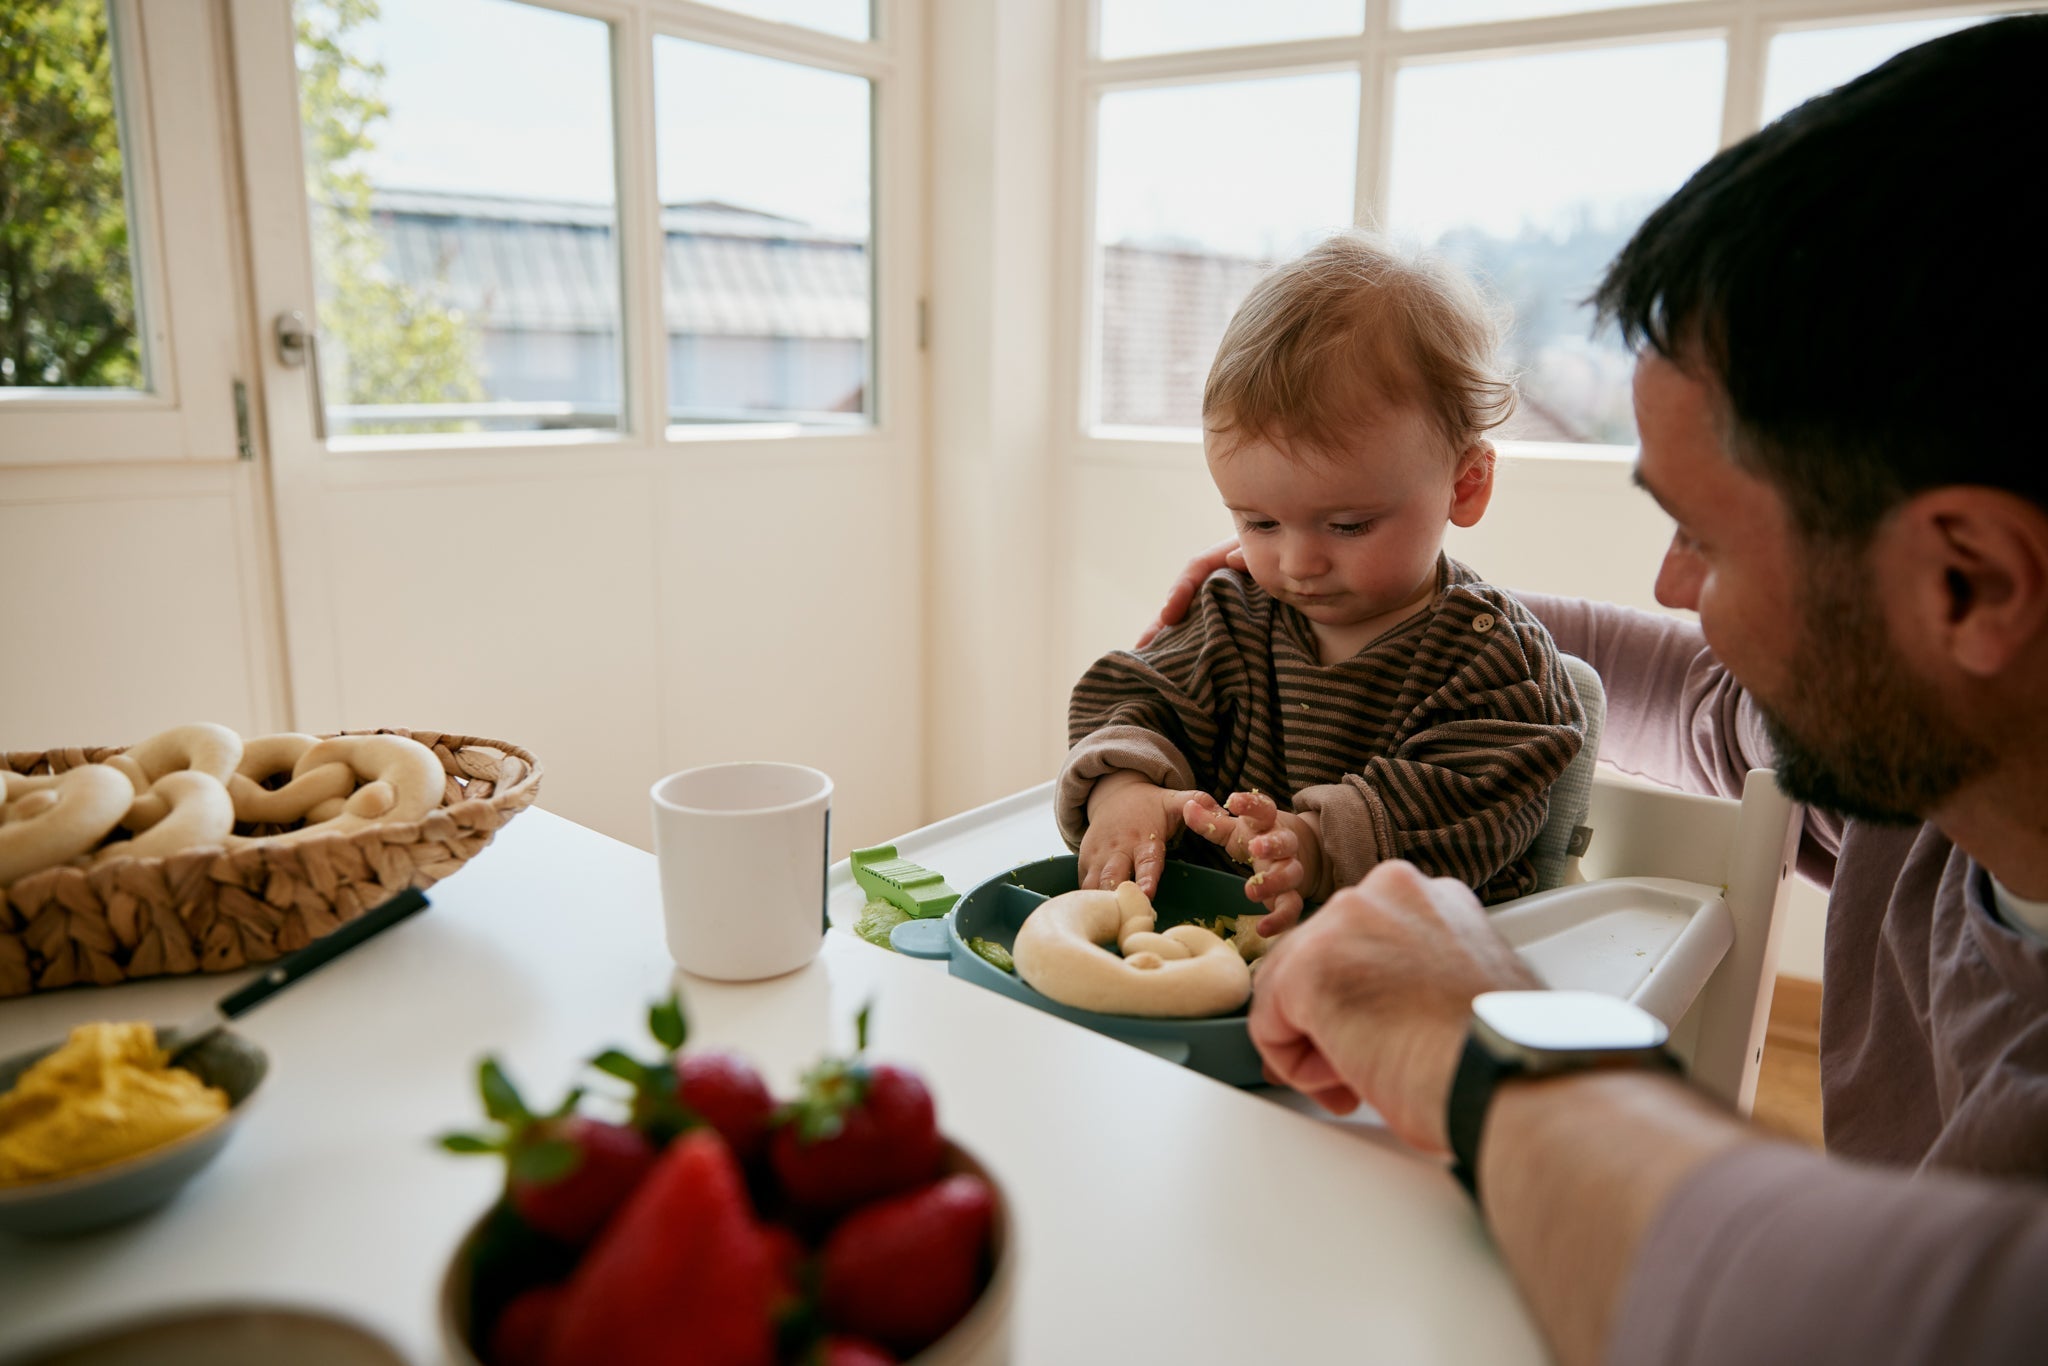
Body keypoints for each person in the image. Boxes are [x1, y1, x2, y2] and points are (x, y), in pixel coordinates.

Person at [1145, 18, 2048, 1365]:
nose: (1675, 587)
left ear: (1966, 582)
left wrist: (1479, 1040)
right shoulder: (1930, 780)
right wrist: (1390, 604)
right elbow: (1692, 689)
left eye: (1707, 538)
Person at [1060, 231, 1585, 933]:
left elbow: (1473, 807)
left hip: (1407, 967)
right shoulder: (1234, 613)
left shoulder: (1493, 661)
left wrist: (1313, 844)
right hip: (1213, 946)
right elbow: (1135, 697)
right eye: (1260, 522)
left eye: (1347, 525)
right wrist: (1123, 788)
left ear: (1465, 484)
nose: (1297, 563)